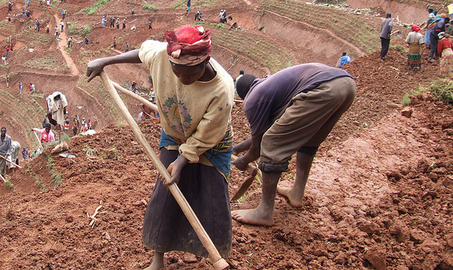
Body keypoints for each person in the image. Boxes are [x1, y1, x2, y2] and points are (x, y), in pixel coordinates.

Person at [86, 24, 234, 269]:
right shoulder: (162, 57)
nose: (182, 80)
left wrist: (184, 160)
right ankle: (158, 262)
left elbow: (206, 136)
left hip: (212, 142)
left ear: (204, 62)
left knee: (212, 197)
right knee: (165, 195)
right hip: (175, 134)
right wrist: (105, 61)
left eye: (189, 75)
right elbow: (142, 52)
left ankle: (213, 256)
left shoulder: (222, 90)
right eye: (177, 73)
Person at [231, 63, 356, 226]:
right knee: (309, 138)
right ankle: (296, 194)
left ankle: (264, 212)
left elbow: (259, 146)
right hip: (345, 84)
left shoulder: (253, 100)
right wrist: (236, 149)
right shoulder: (268, 87)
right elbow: (263, 132)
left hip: (324, 88)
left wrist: (244, 160)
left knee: (272, 143)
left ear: (241, 96)